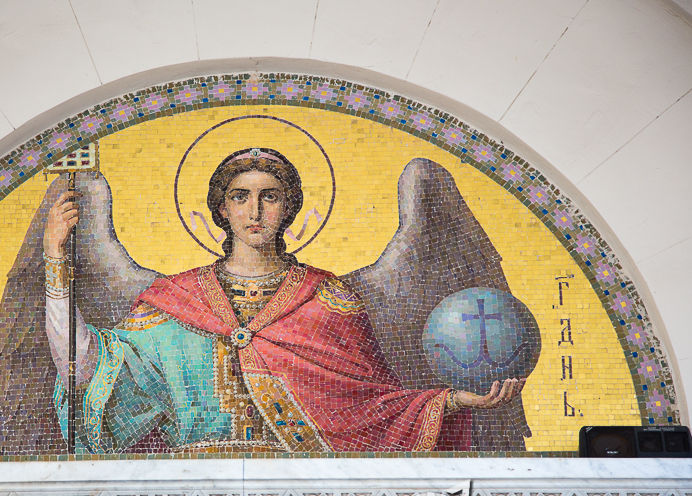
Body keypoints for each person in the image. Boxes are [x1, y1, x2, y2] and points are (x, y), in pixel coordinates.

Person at [42, 148, 524, 454]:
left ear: (289, 207)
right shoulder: (173, 301)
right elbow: (84, 367)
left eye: (269, 196)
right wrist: (55, 261)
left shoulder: (330, 299)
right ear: (221, 208)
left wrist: (452, 401)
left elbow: (372, 408)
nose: (254, 210)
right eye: (240, 197)